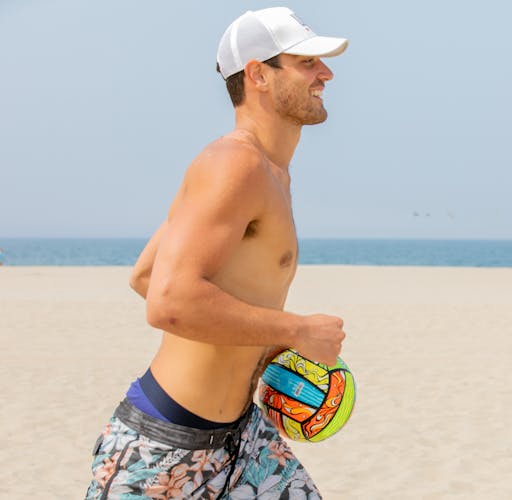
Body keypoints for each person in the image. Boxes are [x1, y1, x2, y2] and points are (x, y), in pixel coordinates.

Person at [86, 7, 348, 499]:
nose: (326, 73)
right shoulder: (233, 164)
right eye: (307, 63)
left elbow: (145, 274)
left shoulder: (271, 172)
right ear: (258, 75)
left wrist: (269, 349)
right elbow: (165, 301)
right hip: (164, 448)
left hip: (244, 441)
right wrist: (297, 330)